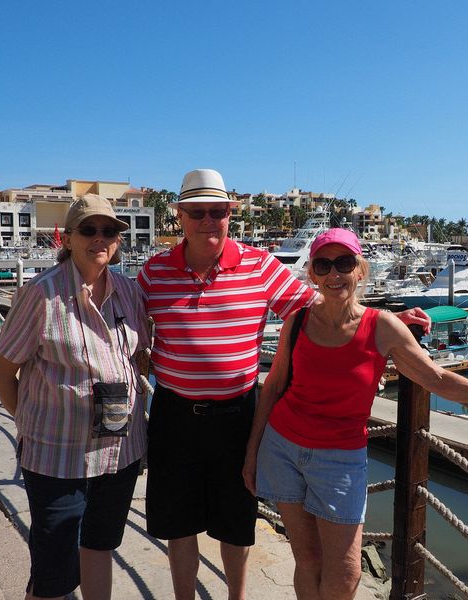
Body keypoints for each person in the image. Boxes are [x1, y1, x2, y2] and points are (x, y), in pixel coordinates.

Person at [137, 169, 429, 600]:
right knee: (179, 526)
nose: (207, 220)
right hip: (173, 413)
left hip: (237, 413)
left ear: (229, 215)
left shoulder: (259, 265)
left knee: (235, 525)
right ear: (180, 216)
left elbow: (322, 305)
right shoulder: (154, 272)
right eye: (197, 212)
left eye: (216, 211)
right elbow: (125, 323)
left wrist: (384, 322)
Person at [242, 228, 468, 600]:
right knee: (307, 559)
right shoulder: (297, 322)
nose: (334, 274)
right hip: (282, 447)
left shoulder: (382, 327)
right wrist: (252, 454)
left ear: (360, 270)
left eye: (343, 263)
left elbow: (435, 377)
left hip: (339, 460)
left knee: (345, 572)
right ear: (311, 273)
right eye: (323, 265)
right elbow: (274, 387)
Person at [0, 194, 149, 600]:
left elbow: (139, 356)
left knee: (100, 546)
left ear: (118, 240)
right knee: (54, 571)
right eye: (89, 230)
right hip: (58, 457)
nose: (100, 239)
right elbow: (2, 371)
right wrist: (29, 421)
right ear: (69, 238)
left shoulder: (129, 293)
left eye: (109, 231)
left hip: (119, 454)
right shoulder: (41, 295)